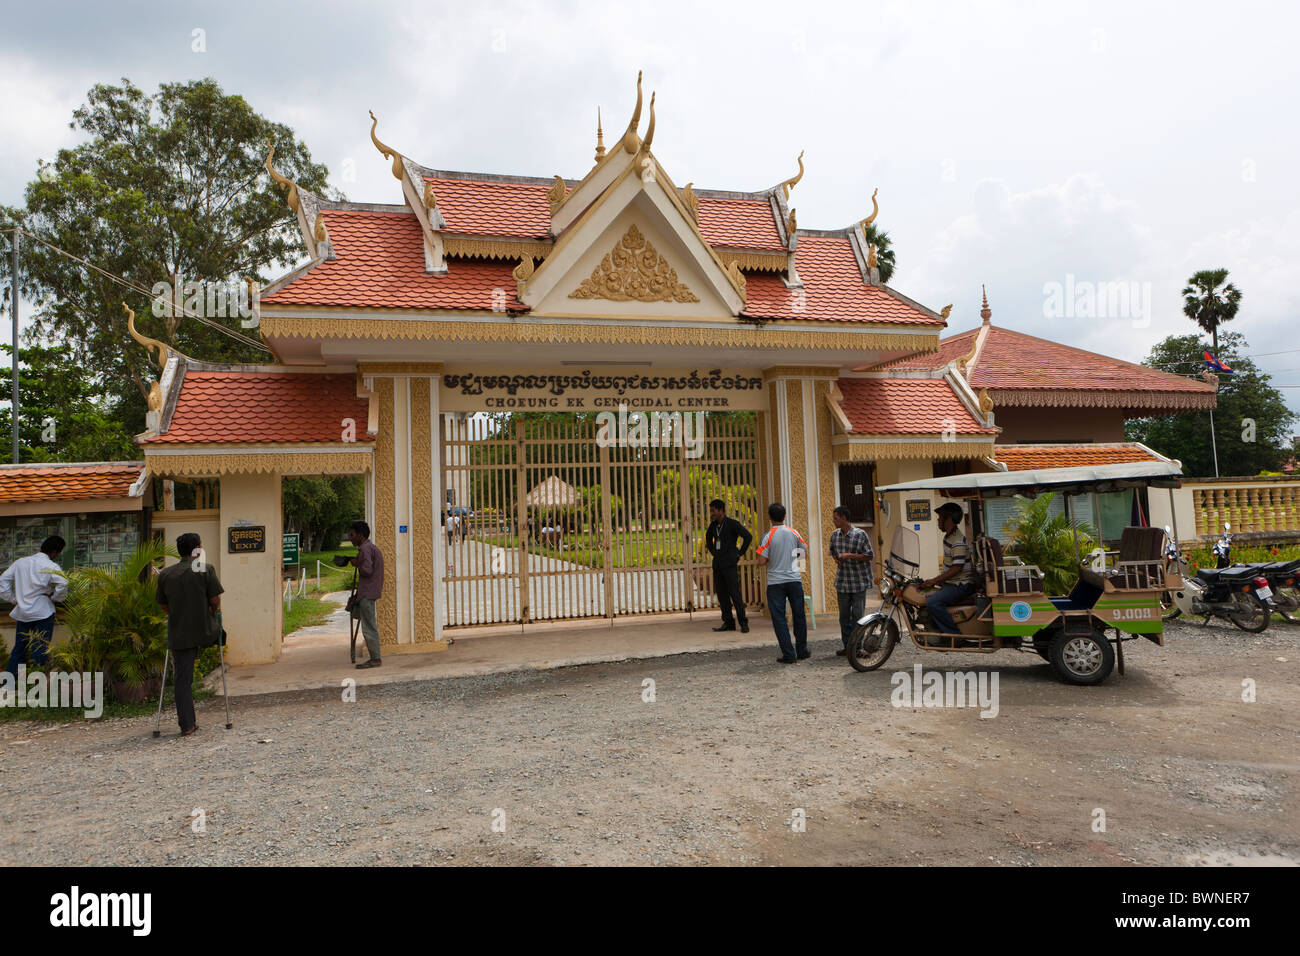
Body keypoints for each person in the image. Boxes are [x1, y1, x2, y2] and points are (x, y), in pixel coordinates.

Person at [155, 533, 223, 737]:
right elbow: (214, 600)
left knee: (182, 681)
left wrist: (176, 615)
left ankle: (187, 725)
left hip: (180, 632)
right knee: (220, 634)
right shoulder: (205, 569)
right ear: (197, 550)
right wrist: (212, 613)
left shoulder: (166, 574)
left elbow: (163, 604)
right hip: (206, 631)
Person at [1, 535, 69, 677]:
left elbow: (3, 580)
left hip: (23, 612)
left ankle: (10, 684)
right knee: (40, 648)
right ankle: (36, 685)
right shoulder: (51, 565)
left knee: (19, 648)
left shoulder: (21, 562)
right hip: (43, 611)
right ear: (55, 552)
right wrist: (55, 598)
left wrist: (14, 599)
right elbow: (64, 583)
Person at [756, 503, 808, 663]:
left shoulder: (768, 536)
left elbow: (762, 560)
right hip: (794, 579)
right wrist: (796, 566)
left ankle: (789, 654)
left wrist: (772, 558)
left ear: (770, 518)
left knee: (779, 618)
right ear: (784, 516)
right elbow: (803, 551)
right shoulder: (794, 532)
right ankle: (802, 651)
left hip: (775, 582)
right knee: (799, 615)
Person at [923, 502, 980, 642]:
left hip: (961, 584)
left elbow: (957, 568)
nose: (937, 520)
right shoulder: (949, 537)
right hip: (952, 583)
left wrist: (935, 580)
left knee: (933, 603)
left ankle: (954, 636)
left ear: (948, 519)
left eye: (940, 517)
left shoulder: (957, 541)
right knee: (924, 595)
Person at [829, 505, 874, 656]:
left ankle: (858, 647)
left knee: (858, 616)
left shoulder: (860, 535)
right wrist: (839, 560)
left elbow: (869, 556)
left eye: (836, 518)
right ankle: (847, 646)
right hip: (842, 582)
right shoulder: (835, 535)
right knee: (843, 617)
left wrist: (849, 556)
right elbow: (834, 554)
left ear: (843, 518)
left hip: (858, 582)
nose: (833, 521)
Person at [338, 520, 384, 669]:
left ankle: (375, 658)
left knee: (369, 626)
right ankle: (374, 657)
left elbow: (367, 570)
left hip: (368, 592)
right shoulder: (369, 548)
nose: (350, 538)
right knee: (365, 621)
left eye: (352, 535)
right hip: (367, 591)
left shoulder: (365, 549)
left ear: (360, 535)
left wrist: (356, 563)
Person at [704, 498, 752, 633]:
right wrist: (713, 550)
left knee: (735, 594)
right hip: (718, 565)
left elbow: (748, 536)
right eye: (711, 511)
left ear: (720, 510)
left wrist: (740, 553)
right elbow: (708, 538)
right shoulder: (713, 526)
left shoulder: (732, 524)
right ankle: (728, 622)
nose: (712, 513)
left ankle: (743, 623)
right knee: (722, 595)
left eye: (713, 510)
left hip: (730, 564)